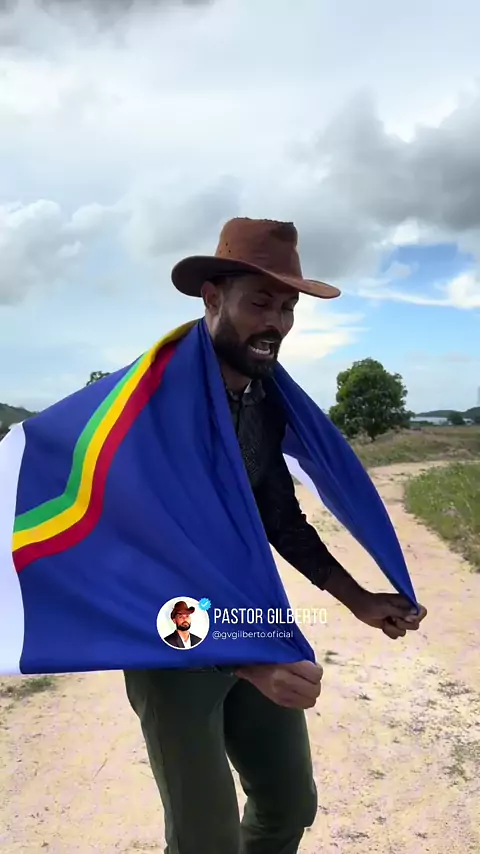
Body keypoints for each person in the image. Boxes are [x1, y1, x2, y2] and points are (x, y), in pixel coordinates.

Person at [124, 218, 427, 854]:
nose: (276, 323)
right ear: (213, 298)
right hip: (173, 641)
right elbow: (135, 552)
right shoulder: (148, 407)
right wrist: (246, 661)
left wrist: (359, 600)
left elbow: (279, 517)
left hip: (251, 617)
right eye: (260, 302)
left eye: (288, 307)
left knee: (288, 804)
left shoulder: (263, 399)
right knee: (205, 839)